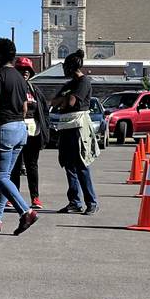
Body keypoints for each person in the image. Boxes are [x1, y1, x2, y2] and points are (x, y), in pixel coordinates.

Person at [0, 38, 37, 234]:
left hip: (3, 130)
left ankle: (26, 212)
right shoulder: (21, 79)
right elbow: (24, 107)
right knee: (5, 178)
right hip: (20, 130)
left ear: (0, 55)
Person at [50, 50, 99, 213]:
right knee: (68, 164)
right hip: (66, 126)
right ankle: (74, 202)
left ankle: (91, 203)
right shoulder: (69, 84)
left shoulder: (84, 82)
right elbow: (54, 102)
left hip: (78, 127)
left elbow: (70, 103)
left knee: (81, 164)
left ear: (71, 67)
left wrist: (64, 100)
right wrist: (63, 101)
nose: (64, 69)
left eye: (65, 66)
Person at [9, 57, 47, 210]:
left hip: (33, 134)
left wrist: (45, 130)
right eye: (21, 69)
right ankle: (12, 197)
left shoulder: (34, 90)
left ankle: (35, 198)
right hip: (16, 132)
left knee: (32, 166)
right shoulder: (11, 88)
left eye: (28, 70)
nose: (25, 72)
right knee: (15, 167)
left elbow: (43, 111)